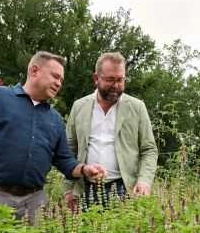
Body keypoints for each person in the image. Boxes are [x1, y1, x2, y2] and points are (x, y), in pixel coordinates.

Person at [0, 51, 106, 223]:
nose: (59, 83)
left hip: (34, 203)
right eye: (55, 76)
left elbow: (63, 160)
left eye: (61, 80)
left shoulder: (55, 119)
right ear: (34, 70)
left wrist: (85, 169)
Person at [62, 52, 158, 208]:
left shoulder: (137, 107)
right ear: (96, 78)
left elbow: (149, 150)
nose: (116, 86)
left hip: (125, 190)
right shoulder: (79, 106)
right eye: (110, 80)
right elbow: (68, 151)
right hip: (84, 189)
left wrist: (144, 181)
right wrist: (68, 190)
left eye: (120, 80)